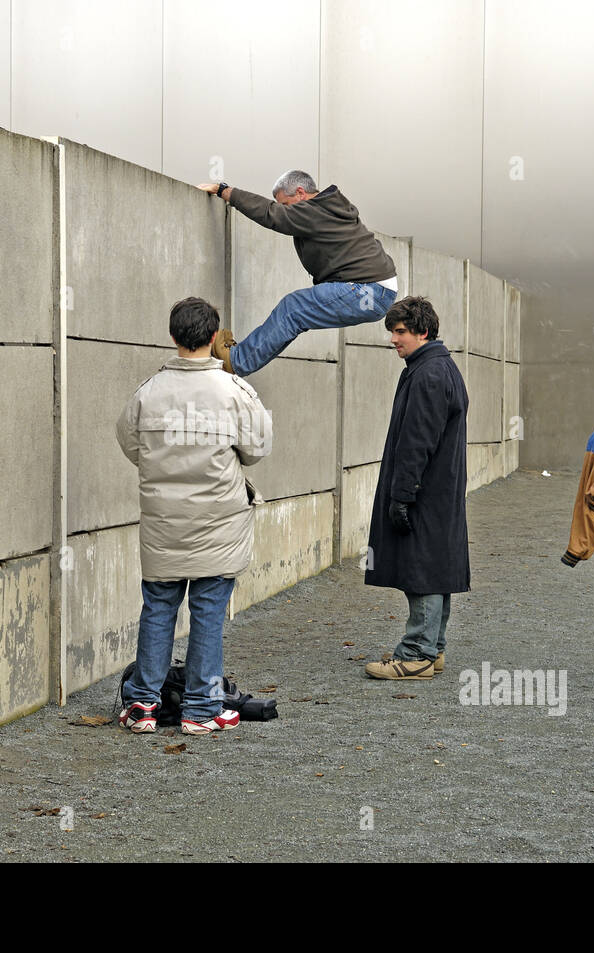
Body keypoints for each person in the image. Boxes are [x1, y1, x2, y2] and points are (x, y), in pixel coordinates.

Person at [115, 296, 273, 734]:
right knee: (207, 611)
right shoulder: (234, 391)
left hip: (163, 524)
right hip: (218, 524)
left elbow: (130, 444)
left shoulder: (148, 392)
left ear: (173, 336)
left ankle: (142, 704)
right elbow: (258, 448)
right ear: (214, 336)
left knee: (158, 607)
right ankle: (202, 709)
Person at [362, 296, 470, 679]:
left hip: (424, 492)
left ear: (422, 331)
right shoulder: (439, 367)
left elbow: (416, 443)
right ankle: (433, 648)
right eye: (392, 331)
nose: (393, 339)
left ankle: (416, 655)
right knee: (436, 567)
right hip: (438, 492)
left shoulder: (428, 374)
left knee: (421, 568)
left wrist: (402, 496)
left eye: (400, 331)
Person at [196, 170, 398, 375]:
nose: (285, 210)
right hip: (376, 290)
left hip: (368, 290)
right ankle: (242, 359)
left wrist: (224, 191)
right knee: (295, 316)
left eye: (285, 204)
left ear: (301, 193)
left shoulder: (315, 210)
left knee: (293, 308)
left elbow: (272, 214)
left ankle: (237, 361)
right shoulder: (328, 207)